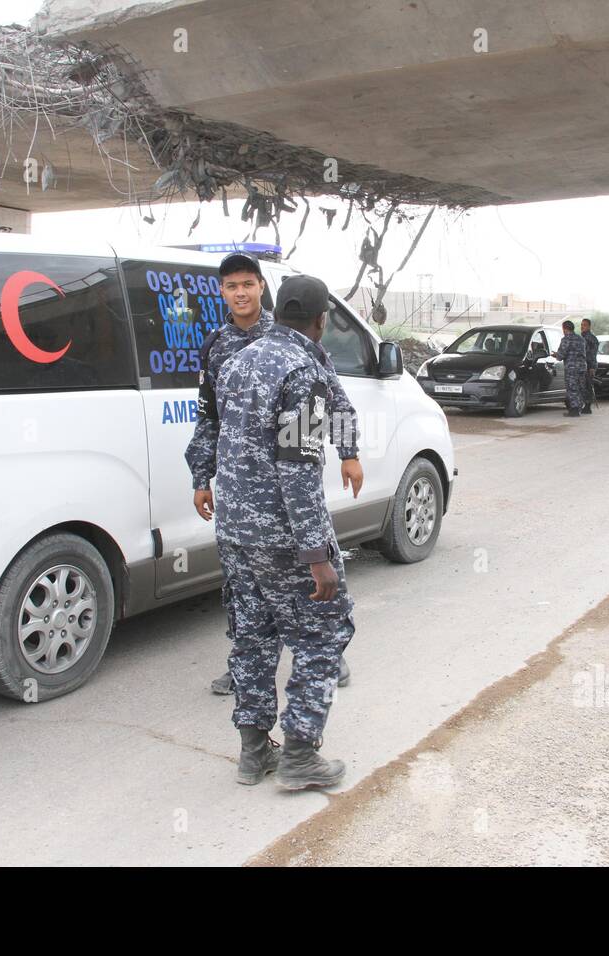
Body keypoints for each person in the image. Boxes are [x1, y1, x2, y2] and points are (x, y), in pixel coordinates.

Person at [185, 251, 360, 696]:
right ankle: (249, 660)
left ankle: (323, 654)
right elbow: (209, 417)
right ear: (222, 292)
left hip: (284, 492)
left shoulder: (294, 339)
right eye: (231, 286)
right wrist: (201, 476)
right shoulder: (218, 346)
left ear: (262, 288)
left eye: (248, 284)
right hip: (242, 491)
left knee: (304, 579)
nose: (240, 292)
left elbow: (333, 399)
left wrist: (349, 451)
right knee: (245, 591)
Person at [212, 274, 356, 790]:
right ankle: (299, 755)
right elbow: (298, 468)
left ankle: (254, 754)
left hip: (233, 531)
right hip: (281, 535)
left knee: (252, 638)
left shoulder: (236, 361)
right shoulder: (304, 373)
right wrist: (316, 553)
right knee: (322, 634)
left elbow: (222, 438)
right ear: (320, 321)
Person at [553, 319, 588, 416]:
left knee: (572, 388)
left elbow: (560, 356)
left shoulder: (566, 339)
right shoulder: (581, 339)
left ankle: (574, 410)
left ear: (564, 329)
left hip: (571, 368)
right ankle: (579, 408)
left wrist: (555, 355)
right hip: (582, 367)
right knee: (580, 388)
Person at [579, 317, 599, 414]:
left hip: (589, 365)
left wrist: (591, 367)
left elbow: (592, 354)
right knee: (583, 386)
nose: (582, 327)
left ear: (589, 326)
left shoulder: (591, 338)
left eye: (584, 325)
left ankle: (587, 406)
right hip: (583, 365)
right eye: (581, 325)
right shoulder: (582, 337)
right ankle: (584, 405)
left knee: (588, 386)